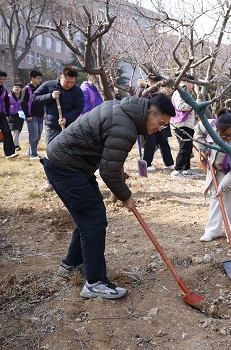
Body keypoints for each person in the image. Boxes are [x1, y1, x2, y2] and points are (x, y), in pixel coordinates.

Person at [44, 93, 175, 299]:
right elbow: (109, 171)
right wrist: (126, 195)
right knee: (93, 221)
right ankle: (95, 283)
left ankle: (72, 264)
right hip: (66, 166)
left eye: (164, 126)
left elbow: (110, 161)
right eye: (160, 123)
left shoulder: (124, 111)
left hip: (71, 164)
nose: (160, 129)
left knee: (90, 218)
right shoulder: (125, 127)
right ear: (150, 112)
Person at [195, 109, 231, 249]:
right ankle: (213, 230)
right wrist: (203, 148)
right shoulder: (209, 125)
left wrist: (224, 186)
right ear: (217, 129)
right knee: (215, 199)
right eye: (224, 135)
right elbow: (198, 129)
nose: (228, 138)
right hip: (216, 169)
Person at [33, 66, 85, 190]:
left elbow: (79, 108)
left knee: (69, 154)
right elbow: (35, 98)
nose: (70, 85)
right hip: (52, 127)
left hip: (69, 127)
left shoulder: (77, 91)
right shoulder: (49, 85)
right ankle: (50, 180)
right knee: (51, 153)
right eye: (67, 82)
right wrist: (50, 96)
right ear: (61, 77)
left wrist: (67, 118)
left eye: (72, 82)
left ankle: (68, 179)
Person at [142, 75, 174, 171]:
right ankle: (147, 163)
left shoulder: (158, 93)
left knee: (164, 142)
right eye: (154, 81)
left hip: (160, 123)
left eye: (157, 82)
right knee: (150, 143)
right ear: (149, 81)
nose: (155, 84)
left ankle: (169, 162)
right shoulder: (142, 91)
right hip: (150, 123)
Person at [170, 75, 199, 179]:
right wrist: (194, 105)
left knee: (188, 148)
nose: (193, 86)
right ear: (186, 82)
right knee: (184, 148)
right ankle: (177, 170)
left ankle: (186, 169)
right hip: (181, 124)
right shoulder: (179, 91)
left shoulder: (185, 92)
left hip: (187, 124)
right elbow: (180, 106)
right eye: (192, 83)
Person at [22, 70, 44, 160]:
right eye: (38, 78)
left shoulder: (40, 88)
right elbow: (23, 103)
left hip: (40, 115)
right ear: (32, 78)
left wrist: (43, 113)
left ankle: (29, 152)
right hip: (31, 116)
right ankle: (33, 155)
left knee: (38, 135)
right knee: (34, 135)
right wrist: (27, 115)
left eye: (40, 78)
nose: (40, 80)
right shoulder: (27, 89)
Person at [8, 83, 25, 151]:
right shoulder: (8, 97)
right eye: (15, 87)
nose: (17, 88)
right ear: (12, 89)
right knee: (14, 129)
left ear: (21, 89)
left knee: (18, 130)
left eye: (18, 87)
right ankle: (16, 146)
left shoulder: (23, 97)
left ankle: (12, 144)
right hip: (11, 115)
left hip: (21, 115)